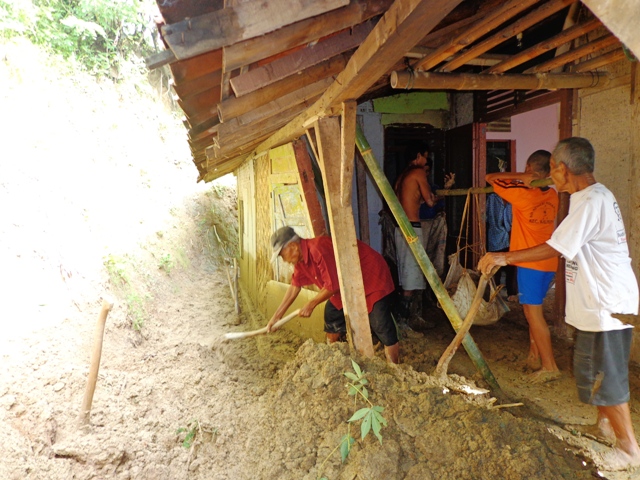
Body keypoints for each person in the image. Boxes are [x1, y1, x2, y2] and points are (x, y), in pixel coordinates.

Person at [478, 137, 640, 471]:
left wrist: (502, 257)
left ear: (562, 169)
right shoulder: (587, 198)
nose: (550, 176)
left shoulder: (592, 201)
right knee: (589, 369)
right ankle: (603, 425)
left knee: (607, 376)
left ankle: (629, 451)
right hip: (596, 302)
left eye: (551, 168)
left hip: (607, 303)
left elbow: (555, 247)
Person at [266, 226, 399, 364]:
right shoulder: (300, 262)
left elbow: (332, 285)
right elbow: (295, 287)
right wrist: (276, 317)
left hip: (371, 278)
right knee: (331, 314)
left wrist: (311, 304)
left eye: (282, 255)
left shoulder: (317, 248)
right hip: (348, 285)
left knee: (380, 323)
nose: (284, 260)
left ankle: (395, 367)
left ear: (293, 246)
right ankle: (332, 358)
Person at [485, 150, 560, 383]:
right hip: (549, 262)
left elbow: (490, 177)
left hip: (530, 263)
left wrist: (522, 176)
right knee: (532, 311)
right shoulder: (553, 195)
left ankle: (550, 366)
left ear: (529, 168)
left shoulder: (521, 194)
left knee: (533, 314)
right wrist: (531, 177)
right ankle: (534, 354)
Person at [393, 142, 452, 329]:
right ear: (419, 156)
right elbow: (430, 201)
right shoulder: (418, 172)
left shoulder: (401, 176)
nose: (427, 160)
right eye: (425, 156)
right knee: (411, 279)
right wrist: (446, 191)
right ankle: (402, 323)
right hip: (411, 228)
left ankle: (402, 320)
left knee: (405, 277)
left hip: (400, 228)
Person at [485, 192, 518, 301]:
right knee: (495, 267)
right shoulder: (492, 198)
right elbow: (484, 217)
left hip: (511, 236)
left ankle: (512, 293)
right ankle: (494, 294)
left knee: (512, 266)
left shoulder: (514, 197)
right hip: (496, 236)